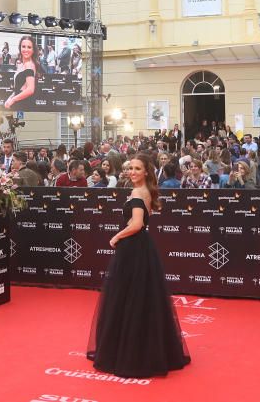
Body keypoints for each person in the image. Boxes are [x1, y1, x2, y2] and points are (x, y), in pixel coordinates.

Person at [87, 153, 190, 378]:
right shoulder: (146, 192)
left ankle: (130, 354)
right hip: (140, 248)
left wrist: (116, 237)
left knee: (128, 298)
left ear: (146, 172)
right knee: (141, 299)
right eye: (130, 168)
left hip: (132, 248)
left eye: (137, 168)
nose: (132, 172)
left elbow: (136, 224)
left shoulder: (137, 193)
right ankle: (143, 350)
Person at [4, 36, 38, 110]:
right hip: (18, 103)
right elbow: (18, 88)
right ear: (20, 48)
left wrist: (13, 99)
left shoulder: (29, 65)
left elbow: (30, 89)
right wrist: (10, 98)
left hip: (24, 104)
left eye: (29, 47)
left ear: (33, 50)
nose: (26, 49)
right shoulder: (22, 65)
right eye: (23, 46)